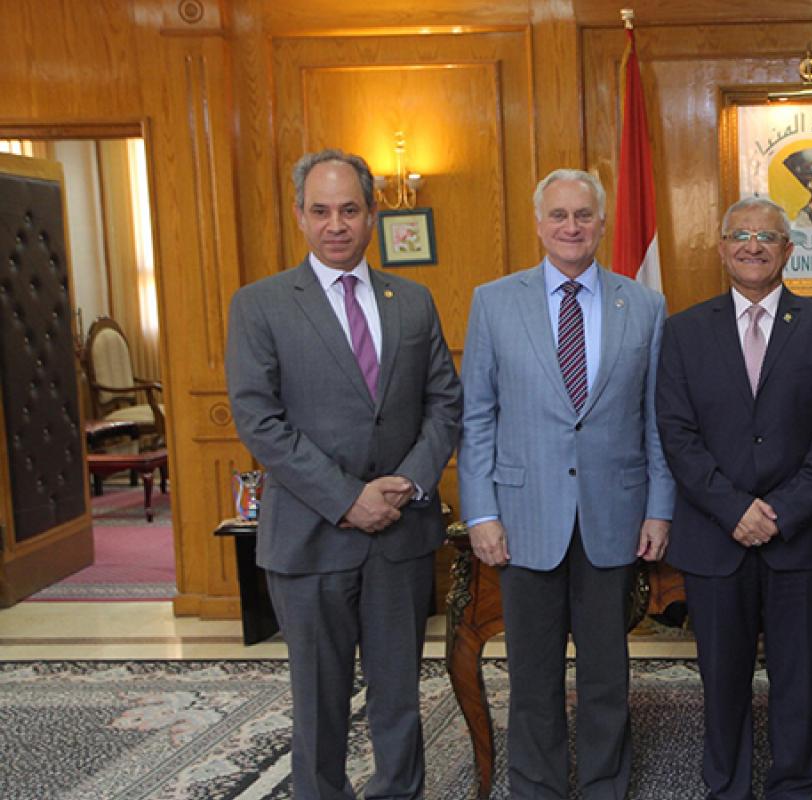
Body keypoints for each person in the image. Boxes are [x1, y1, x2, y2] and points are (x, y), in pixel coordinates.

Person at [225, 149, 463, 799]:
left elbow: (445, 402)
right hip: (310, 538)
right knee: (320, 702)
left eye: (350, 209)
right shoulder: (261, 305)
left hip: (400, 537)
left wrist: (411, 483)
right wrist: (346, 498)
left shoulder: (411, 301)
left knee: (399, 698)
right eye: (321, 210)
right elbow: (259, 421)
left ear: (372, 214)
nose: (336, 224)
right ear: (300, 215)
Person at [456, 168, 674, 799]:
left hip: (616, 516)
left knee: (607, 674)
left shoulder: (645, 304)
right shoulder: (494, 301)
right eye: (559, 215)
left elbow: (656, 419)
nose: (571, 227)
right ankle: (537, 787)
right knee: (532, 673)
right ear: (538, 223)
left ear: (601, 223)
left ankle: (606, 785)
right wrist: (480, 513)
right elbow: (477, 417)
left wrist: (659, 509)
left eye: (583, 215)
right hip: (523, 518)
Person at [655, 196, 812, 800]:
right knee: (722, 679)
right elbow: (677, 431)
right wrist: (733, 509)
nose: (752, 245)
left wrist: (782, 511)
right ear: (720, 248)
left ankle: (795, 786)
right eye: (739, 235)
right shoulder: (684, 331)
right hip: (715, 535)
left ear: (788, 251)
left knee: (798, 679)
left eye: (766, 236)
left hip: (800, 535)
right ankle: (727, 787)